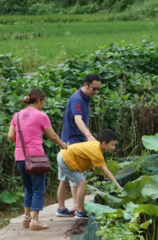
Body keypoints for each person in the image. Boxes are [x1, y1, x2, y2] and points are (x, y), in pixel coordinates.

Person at [7, 89, 68, 230]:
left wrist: (22, 145)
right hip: (35, 157)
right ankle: (35, 221)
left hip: (20, 157)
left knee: (28, 187)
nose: (43, 104)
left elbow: (11, 136)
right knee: (38, 189)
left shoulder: (16, 116)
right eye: (43, 102)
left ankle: (26, 217)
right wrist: (63, 144)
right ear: (39, 101)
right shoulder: (41, 115)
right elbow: (52, 136)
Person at [56, 129, 122, 219]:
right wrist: (117, 185)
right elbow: (106, 172)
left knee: (63, 182)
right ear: (104, 143)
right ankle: (80, 211)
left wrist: (91, 166)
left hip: (63, 154)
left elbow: (85, 152)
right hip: (67, 159)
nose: (114, 147)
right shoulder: (98, 153)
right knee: (82, 183)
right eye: (112, 145)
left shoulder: (95, 144)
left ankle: (61, 209)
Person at [60, 73, 101, 215]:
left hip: (80, 139)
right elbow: (77, 119)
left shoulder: (86, 98)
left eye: (97, 89)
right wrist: (89, 136)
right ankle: (77, 207)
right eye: (93, 89)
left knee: (73, 177)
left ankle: (73, 206)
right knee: (77, 177)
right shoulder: (77, 99)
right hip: (72, 140)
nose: (95, 92)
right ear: (85, 85)